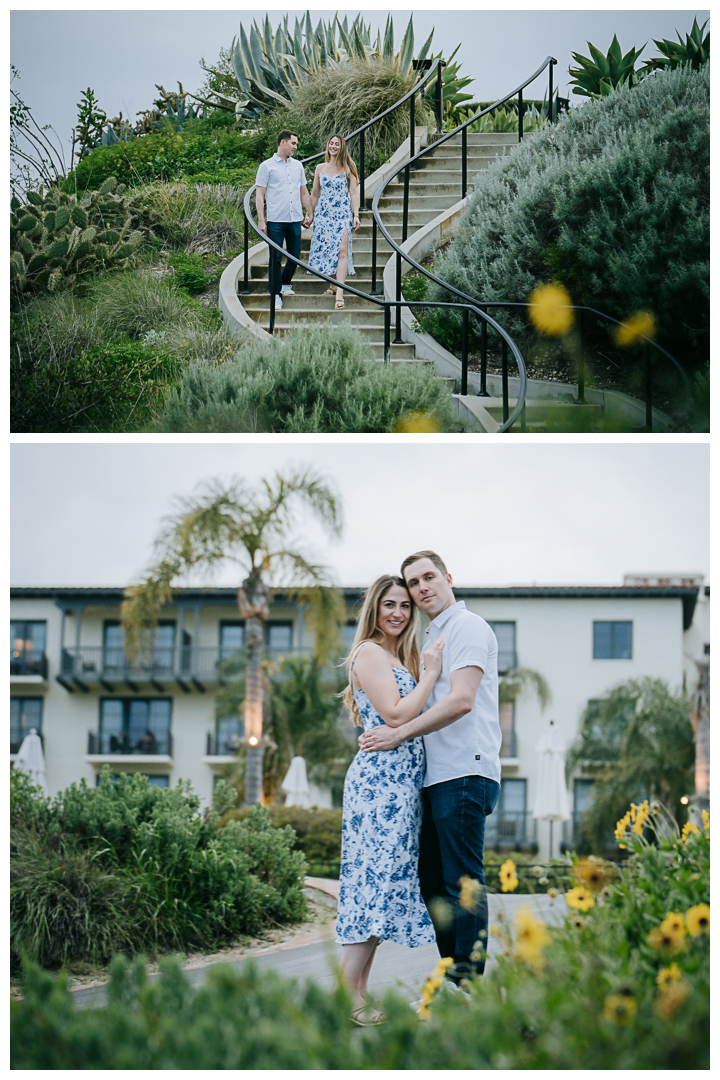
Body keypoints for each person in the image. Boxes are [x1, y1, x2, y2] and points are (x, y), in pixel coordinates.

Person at [359, 551, 501, 987]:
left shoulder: (468, 627)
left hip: (464, 772)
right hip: (435, 779)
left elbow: (462, 700)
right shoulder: (431, 640)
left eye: (428, 577)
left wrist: (398, 734)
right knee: (434, 886)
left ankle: (468, 987)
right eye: (413, 583)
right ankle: (452, 982)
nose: (421, 588)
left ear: (447, 578)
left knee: (462, 883)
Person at [336, 574, 445, 1024]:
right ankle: (345, 998)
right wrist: (434, 674)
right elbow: (398, 713)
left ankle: (358, 993)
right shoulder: (370, 652)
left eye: (405, 606)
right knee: (373, 889)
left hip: (399, 788)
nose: (399, 613)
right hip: (380, 787)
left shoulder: (397, 656)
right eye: (390, 605)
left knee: (381, 889)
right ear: (375, 610)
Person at [255, 130, 314, 311]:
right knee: (275, 257)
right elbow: (259, 194)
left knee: (294, 256)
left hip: (295, 218)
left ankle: (285, 283)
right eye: (293, 144)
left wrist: (309, 212)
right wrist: (261, 220)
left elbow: (303, 191)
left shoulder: (298, 166)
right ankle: (276, 294)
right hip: (275, 220)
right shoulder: (266, 166)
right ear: (283, 142)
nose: (296, 147)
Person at [306, 134, 361, 311]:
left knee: (342, 252)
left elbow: (354, 192)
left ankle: (339, 294)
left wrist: (356, 214)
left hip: (342, 214)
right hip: (323, 216)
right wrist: (309, 214)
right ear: (327, 146)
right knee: (327, 251)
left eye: (337, 144)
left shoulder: (348, 167)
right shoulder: (320, 168)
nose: (334, 146)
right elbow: (314, 194)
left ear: (342, 147)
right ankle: (332, 284)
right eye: (331, 143)